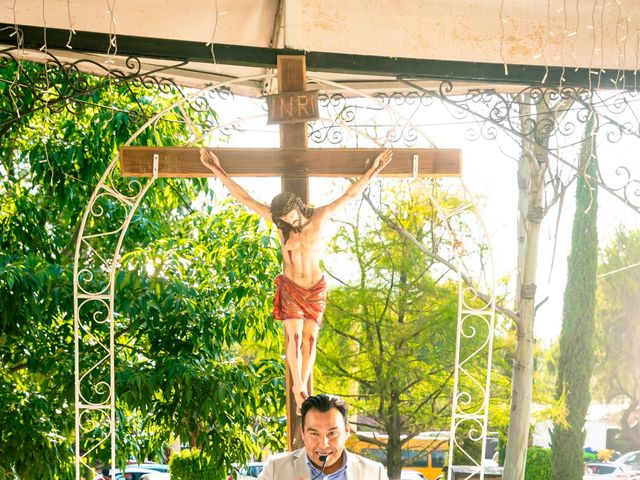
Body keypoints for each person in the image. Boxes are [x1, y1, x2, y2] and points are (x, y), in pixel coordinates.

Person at [200, 148, 392, 413]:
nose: (287, 221)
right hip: (291, 285)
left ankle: (304, 386)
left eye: (289, 215)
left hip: (315, 287)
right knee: (294, 337)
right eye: (282, 218)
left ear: (297, 206)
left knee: (310, 340)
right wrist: (216, 169)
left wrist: (375, 170)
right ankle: (298, 386)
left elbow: (350, 194)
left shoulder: (320, 217)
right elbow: (245, 198)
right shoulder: (281, 227)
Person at [257, 393, 388, 480]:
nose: (324, 444)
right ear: (303, 433)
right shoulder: (276, 469)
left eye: (332, 433)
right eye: (314, 434)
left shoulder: (375, 473)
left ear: (347, 431)